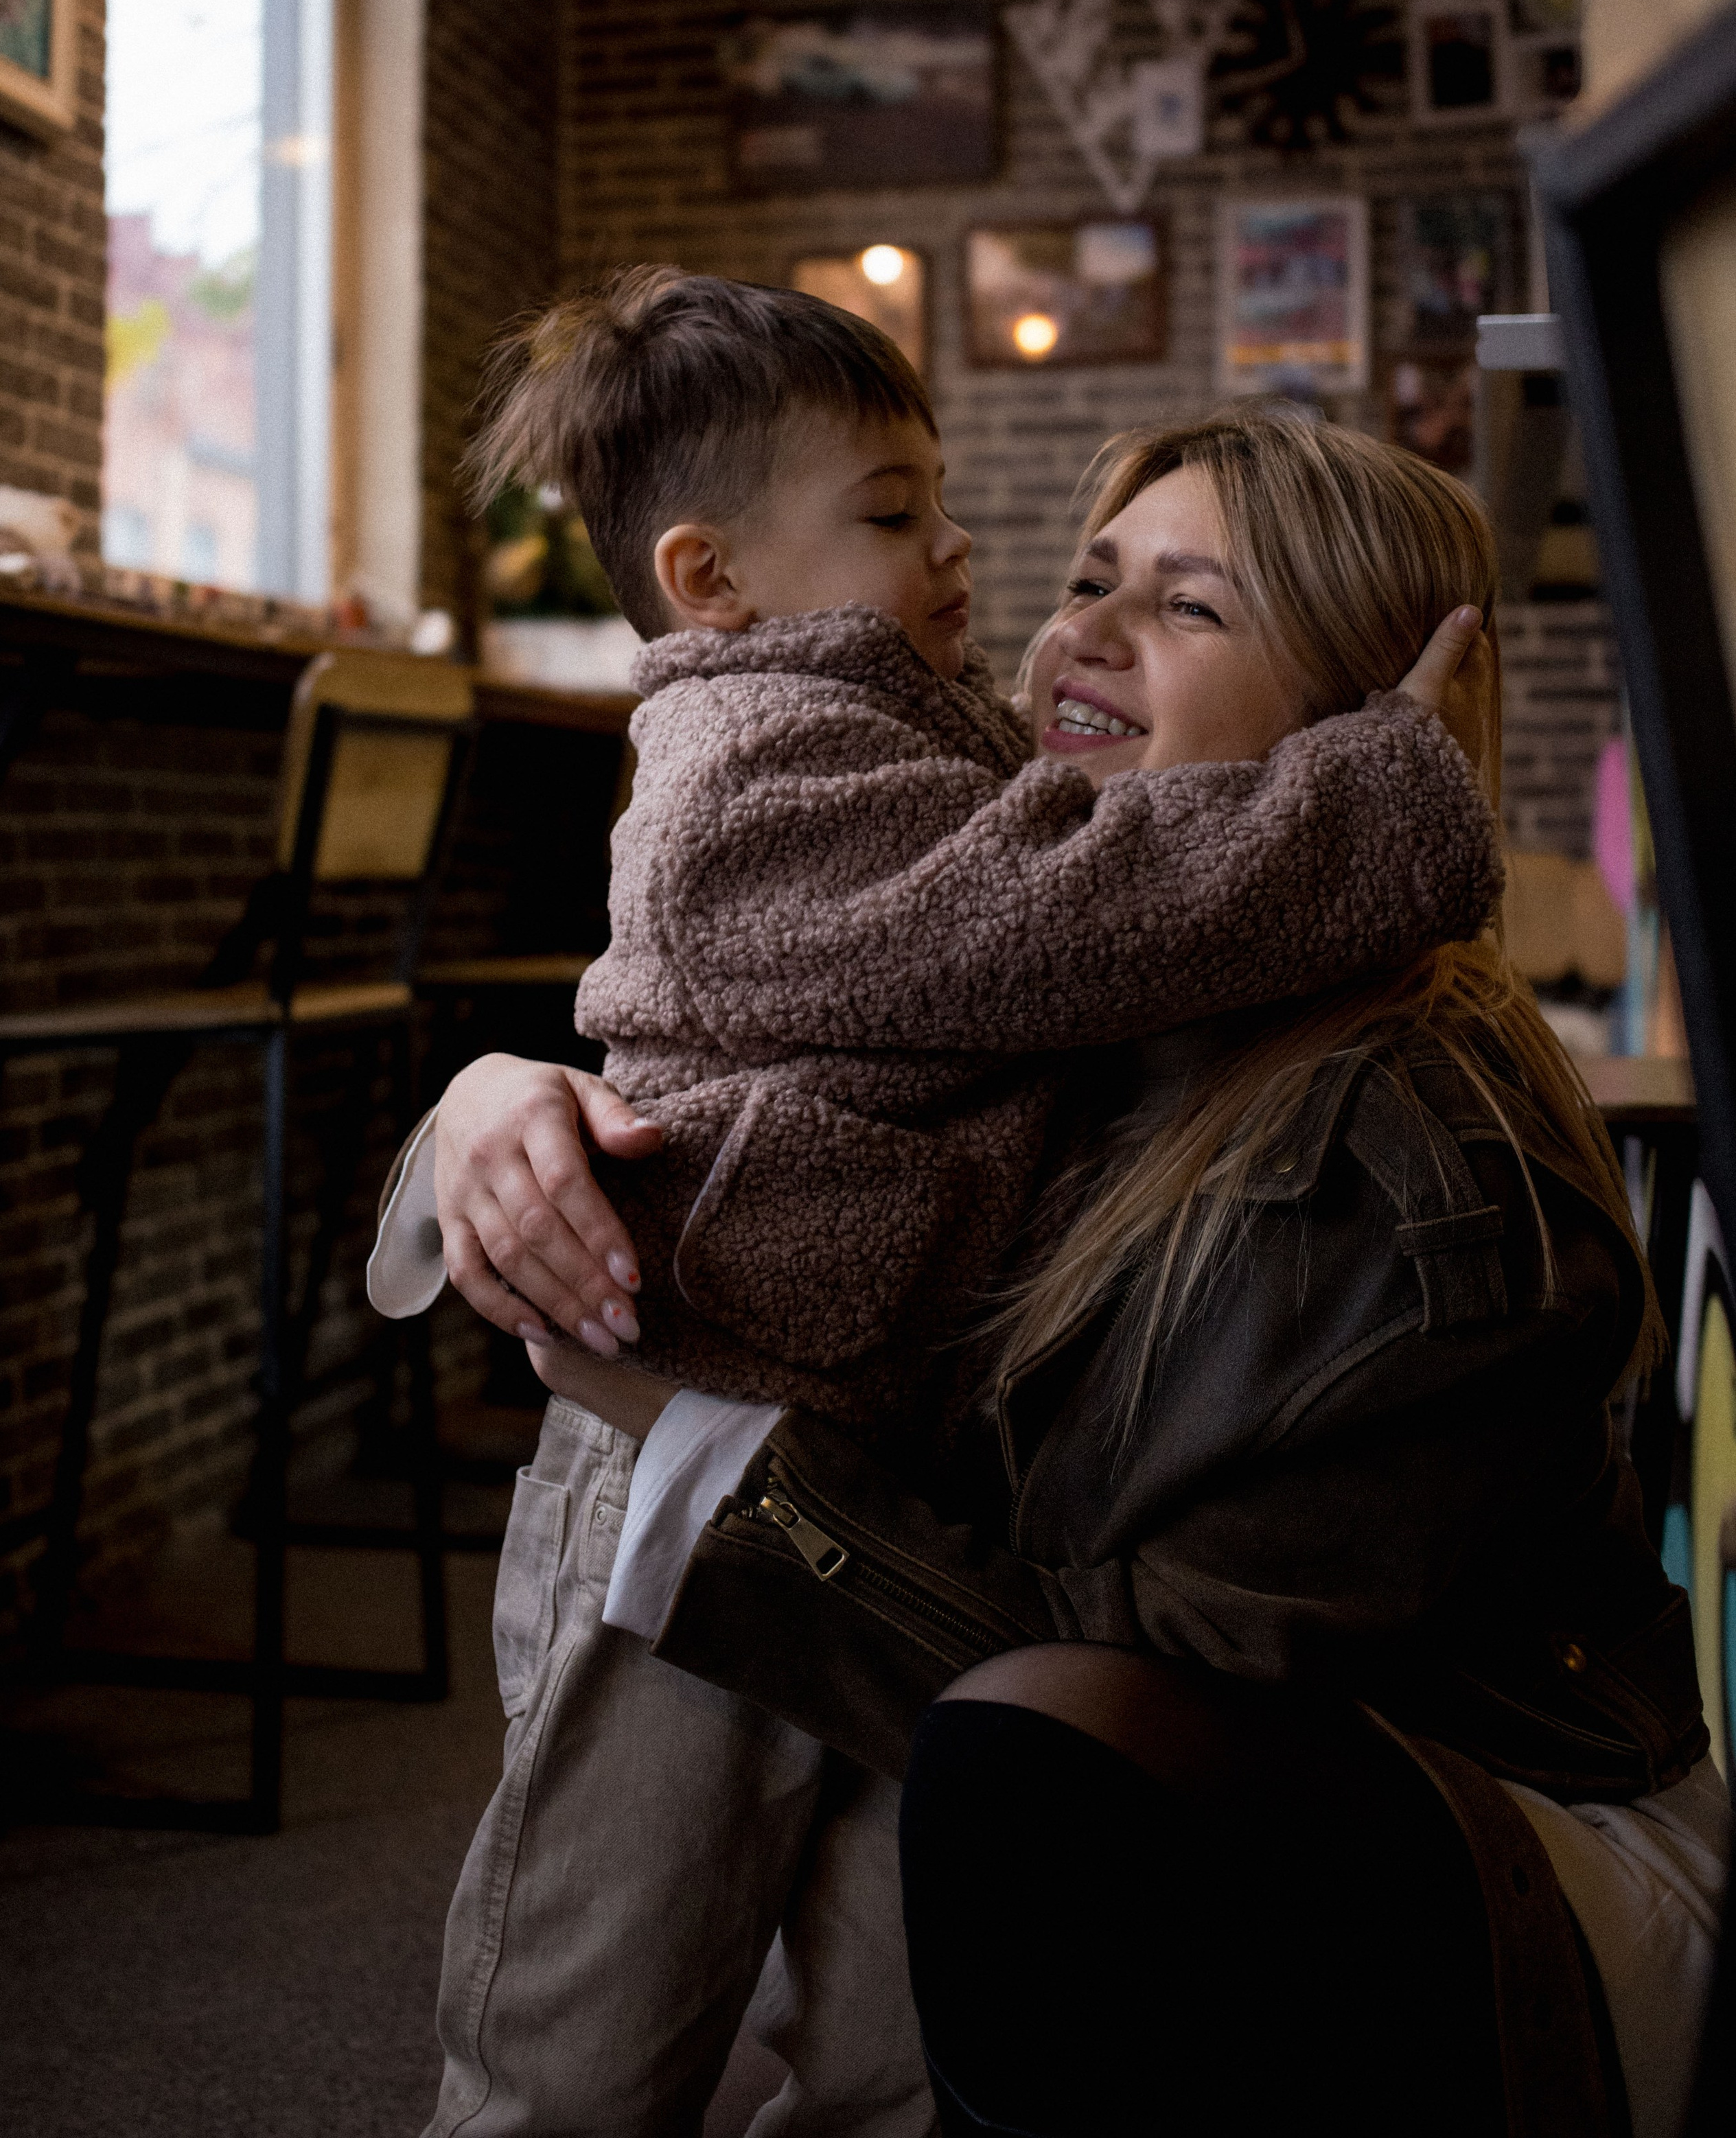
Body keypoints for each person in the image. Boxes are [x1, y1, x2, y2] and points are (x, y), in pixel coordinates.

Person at [452, 413, 1726, 2138]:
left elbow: (1101, 1716)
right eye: (1083, 580)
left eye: (1190, 610)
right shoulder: (1056, 982)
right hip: (1119, 1793)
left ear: (1352, 742)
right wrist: (495, 1112)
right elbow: (735, 1059)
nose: (1078, 639)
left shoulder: (1388, 1157)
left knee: (883, 1670)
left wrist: (699, 1448)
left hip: (1476, 1870)